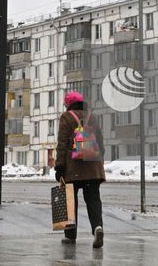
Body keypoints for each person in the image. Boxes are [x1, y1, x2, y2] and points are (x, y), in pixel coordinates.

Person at [55, 89, 105, 248]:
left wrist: (59, 167)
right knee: (93, 199)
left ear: (68, 104)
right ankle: (98, 227)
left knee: (70, 200)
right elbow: (101, 144)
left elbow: (62, 144)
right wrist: (96, 160)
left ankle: (70, 236)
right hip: (92, 166)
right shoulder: (92, 117)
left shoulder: (66, 117)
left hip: (73, 168)